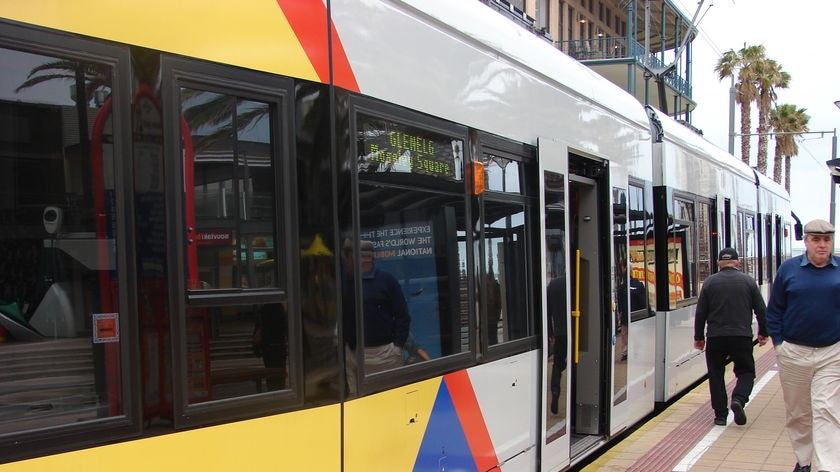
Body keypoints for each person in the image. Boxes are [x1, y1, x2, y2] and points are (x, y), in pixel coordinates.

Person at [767, 219, 840, 472]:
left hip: (832, 352)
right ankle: (805, 461)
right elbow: (774, 310)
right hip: (794, 352)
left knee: (826, 409)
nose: (822, 245)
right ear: (806, 241)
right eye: (816, 240)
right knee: (798, 413)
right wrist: (779, 343)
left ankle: (827, 467)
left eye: (827, 240)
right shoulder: (789, 270)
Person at [693, 247, 767, 427]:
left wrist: (699, 337)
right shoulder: (748, 282)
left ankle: (720, 416)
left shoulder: (709, 283)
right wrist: (764, 332)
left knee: (716, 375)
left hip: (716, 337)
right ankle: (739, 400)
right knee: (746, 372)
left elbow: (700, 313)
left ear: (719, 263)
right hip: (741, 336)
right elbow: (761, 310)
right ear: (737, 262)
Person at [342, 239, 411, 394]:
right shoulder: (345, 282)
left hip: (383, 356)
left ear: (365, 259)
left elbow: (403, 316)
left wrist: (397, 347)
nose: (346, 262)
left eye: (348, 257)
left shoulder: (387, 281)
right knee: (356, 401)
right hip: (352, 355)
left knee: (388, 400)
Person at [547, 275, 568, 415]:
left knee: (558, 364)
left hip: (559, 332)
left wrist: (550, 331)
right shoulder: (577, 280)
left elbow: (547, 312)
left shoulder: (554, 284)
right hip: (576, 332)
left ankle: (555, 390)